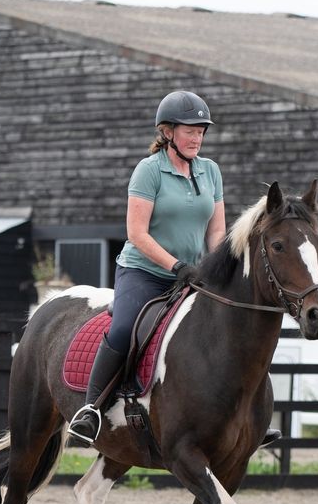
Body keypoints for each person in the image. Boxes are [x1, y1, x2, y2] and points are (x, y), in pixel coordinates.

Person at [67, 90, 226, 445]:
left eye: (201, 130)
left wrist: (218, 268)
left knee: (228, 330)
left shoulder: (211, 171)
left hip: (193, 275)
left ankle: (237, 418)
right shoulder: (149, 171)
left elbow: (217, 231)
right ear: (168, 132)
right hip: (144, 272)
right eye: (190, 130)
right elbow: (136, 234)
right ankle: (91, 409)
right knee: (124, 329)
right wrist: (176, 265)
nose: (197, 137)